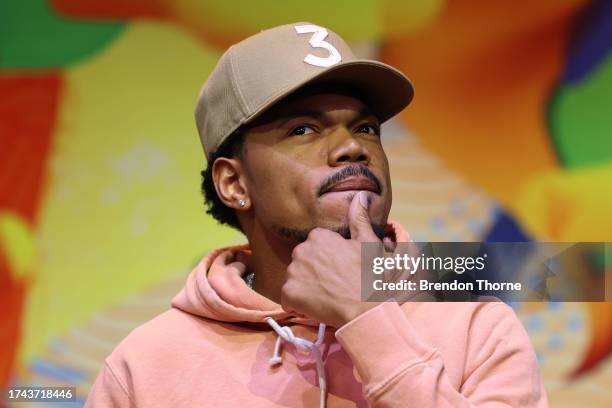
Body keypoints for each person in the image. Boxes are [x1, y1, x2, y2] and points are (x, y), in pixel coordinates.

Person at [85, 22, 548, 407]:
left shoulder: (477, 328)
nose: (352, 148)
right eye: (303, 129)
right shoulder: (145, 367)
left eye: (365, 128)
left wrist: (365, 320)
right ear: (234, 183)